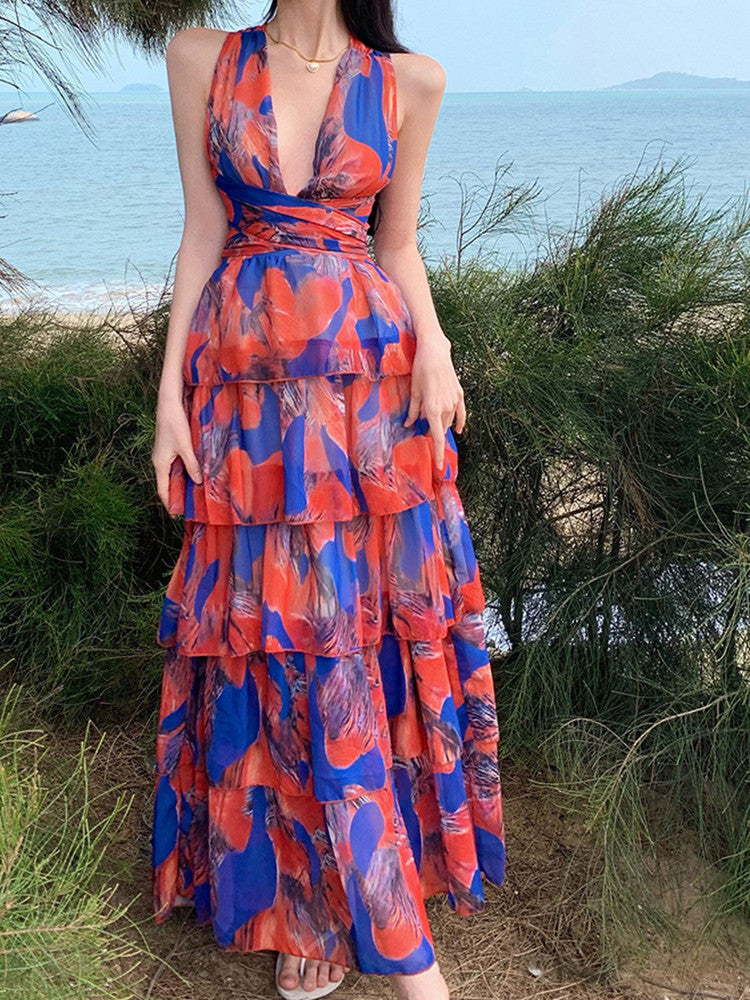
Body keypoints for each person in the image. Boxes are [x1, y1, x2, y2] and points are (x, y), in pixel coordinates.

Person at [149, 2, 507, 998]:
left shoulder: (410, 81)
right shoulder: (201, 59)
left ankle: (370, 918)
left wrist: (436, 349)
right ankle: (311, 900)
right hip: (248, 399)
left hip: (369, 395)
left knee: (358, 634)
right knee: (281, 637)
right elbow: (203, 232)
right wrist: (168, 398)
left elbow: (399, 245)